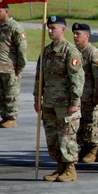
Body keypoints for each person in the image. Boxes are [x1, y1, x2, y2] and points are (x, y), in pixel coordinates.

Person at [33, 15, 84, 182]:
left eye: (53, 27)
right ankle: (60, 167)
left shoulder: (70, 51)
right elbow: (39, 78)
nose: (49, 30)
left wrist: (75, 102)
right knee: (53, 137)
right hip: (49, 102)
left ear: (63, 29)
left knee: (66, 136)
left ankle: (69, 169)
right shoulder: (46, 52)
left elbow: (77, 78)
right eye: (48, 27)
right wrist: (37, 98)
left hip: (65, 103)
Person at [72, 22, 98, 163]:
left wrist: (97, 94)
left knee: (91, 122)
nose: (75, 36)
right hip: (78, 96)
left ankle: (93, 150)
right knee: (80, 123)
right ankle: (84, 148)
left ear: (87, 36)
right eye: (74, 33)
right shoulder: (74, 52)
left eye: (78, 34)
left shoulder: (93, 53)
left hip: (89, 94)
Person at [0, 3, 27, 128]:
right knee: (0, 95)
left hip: (10, 67)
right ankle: (4, 117)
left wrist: (20, 67)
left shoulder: (15, 27)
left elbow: (22, 48)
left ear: (6, 11)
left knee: (11, 94)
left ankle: (11, 118)